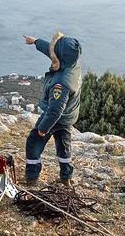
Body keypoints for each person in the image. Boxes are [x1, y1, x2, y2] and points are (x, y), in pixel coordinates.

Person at [22, 32, 82, 187]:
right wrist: (35, 41)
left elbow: (55, 110)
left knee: (34, 142)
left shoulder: (61, 83)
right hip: (68, 117)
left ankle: (32, 177)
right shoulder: (73, 64)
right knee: (64, 146)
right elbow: (53, 51)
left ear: (60, 57)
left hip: (57, 117)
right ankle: (66, 177)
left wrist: (43, 128)